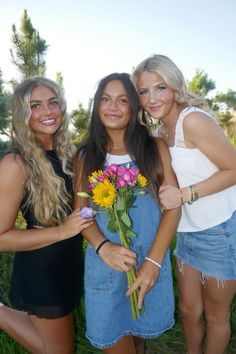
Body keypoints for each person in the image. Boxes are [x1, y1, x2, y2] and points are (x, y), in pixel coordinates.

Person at [132, 54, 236, 354]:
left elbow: (233, 168)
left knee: (216, 316)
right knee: (190, 311)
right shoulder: (160, 131)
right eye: (143, 91)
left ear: (175, 86)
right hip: (186, 232)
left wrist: (185, 194)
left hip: (219, 233)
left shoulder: (192, 120)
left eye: (160, 87)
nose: (152, 98)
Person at [74, 72, 180, 354]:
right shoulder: (86, 155)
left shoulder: (153, 148)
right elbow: (81, 215)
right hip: (106, 267)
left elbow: (172, 209)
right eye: (106, 99)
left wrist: (153, 263)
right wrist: (103, 246)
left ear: (134, 107)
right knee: (118, 340)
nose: (113, 107)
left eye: (123, 100)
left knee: (138, 335)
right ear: (96, 106)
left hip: (149, 263)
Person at [0, 77, 93, 354]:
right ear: (23, 114)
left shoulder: (69, 153)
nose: (48, 111)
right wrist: (63, 231)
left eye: (53, 103)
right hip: (41, 269)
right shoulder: (15, 163)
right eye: (36, 106)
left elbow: (81, 208)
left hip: (70, 259)